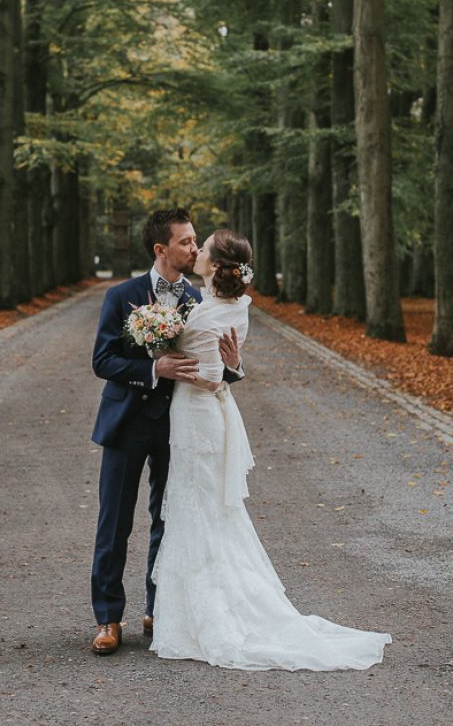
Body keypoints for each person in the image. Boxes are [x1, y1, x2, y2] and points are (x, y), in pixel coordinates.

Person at [150, 228, 392, 671]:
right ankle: (190, 611)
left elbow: (211, 377)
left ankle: (209, 617)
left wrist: (175, 362)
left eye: (203, 249)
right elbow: (223, 365)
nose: (197, 251)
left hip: (199, 415)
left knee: (201, 512)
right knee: (202, 512)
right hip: (201, 416)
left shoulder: (214, 314)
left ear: (217, 265)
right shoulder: (226, 306)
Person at [89, 209, 244, 655]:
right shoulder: (122, 296)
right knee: (114, 522)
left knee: (170, 519)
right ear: (161, 250)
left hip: (178, 426)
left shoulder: (203, 301)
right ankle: (108, 618)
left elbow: (213, 367)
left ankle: (159, 609)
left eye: (196, 241)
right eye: (186, 242)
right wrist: (152, 367)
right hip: (126, 423)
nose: (195, 249)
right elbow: (103, 360)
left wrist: (233, 367)